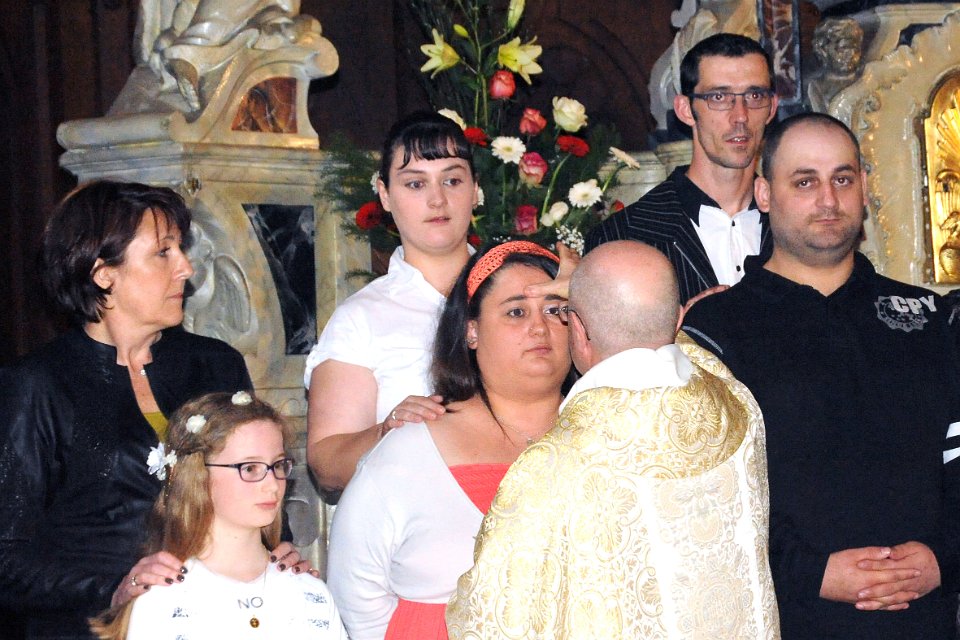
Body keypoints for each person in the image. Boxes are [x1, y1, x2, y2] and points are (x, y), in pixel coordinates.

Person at [682, 112, 960, 638]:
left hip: (924, 620)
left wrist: (944, 558)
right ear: (764, 193)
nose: (828, 200)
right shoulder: (715, 332)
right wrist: (811, 573)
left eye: (843, 179)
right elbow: (700, 501)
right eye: (805, 182)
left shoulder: (930, 319)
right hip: (789, 620)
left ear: (865, 188)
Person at [0, 181, 304, 639]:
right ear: (103, 273)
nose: (186, 267)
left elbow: (255, 479)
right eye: (163, 252)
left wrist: (279, 548)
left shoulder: (215, 364)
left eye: (180, 248)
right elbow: (7, 559)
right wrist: (113, 588)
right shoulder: (39, 384)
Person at [446, 240, 779, 639]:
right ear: (676, 319)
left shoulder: (553, 467)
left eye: (557, 312)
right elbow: (680, 349)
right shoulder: (735, 409)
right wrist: (598, 302)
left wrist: (590, 303)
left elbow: (494, 618)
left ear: (578, 329)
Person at [326, 241, 573, 640]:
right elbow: (353, 595)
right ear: (471, 331)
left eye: (555, 310)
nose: (539, 328)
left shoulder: (608, 437)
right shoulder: (411, 448)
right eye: (516, 312)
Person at [304, 111, 478, 493]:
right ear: (384, 195)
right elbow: (327, 464)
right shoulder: (361, 318)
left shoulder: (518, 295)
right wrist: (387, 432)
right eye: (415, 184)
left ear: (475, 189)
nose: (437, 199)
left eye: (452, 180)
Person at [91, 391, 347, 638]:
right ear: (198, 476)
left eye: (278, 465)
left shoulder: (311, 594)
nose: (272, 484)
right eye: (250, 468)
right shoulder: (162, 600)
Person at [587, 33, 779, 305]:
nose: (740, 116)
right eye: (719, 97)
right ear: (685, 110)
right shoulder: (623, 236)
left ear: (772, 107)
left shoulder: (795, 223)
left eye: (755, 95)